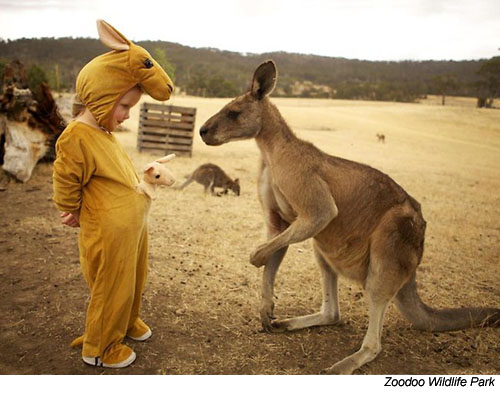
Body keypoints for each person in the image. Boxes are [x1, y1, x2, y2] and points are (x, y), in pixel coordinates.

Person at [52, 20, 174, 368]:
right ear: (103, 97)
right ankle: (101, 347)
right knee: (111, 285)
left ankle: (126, 321)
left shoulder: (103, 132)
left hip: (132, 227)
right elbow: (66, 178)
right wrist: (70, 209)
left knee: (134, 276)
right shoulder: (76, 136)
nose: (126, 116)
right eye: (124, 107)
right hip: (108, 230)